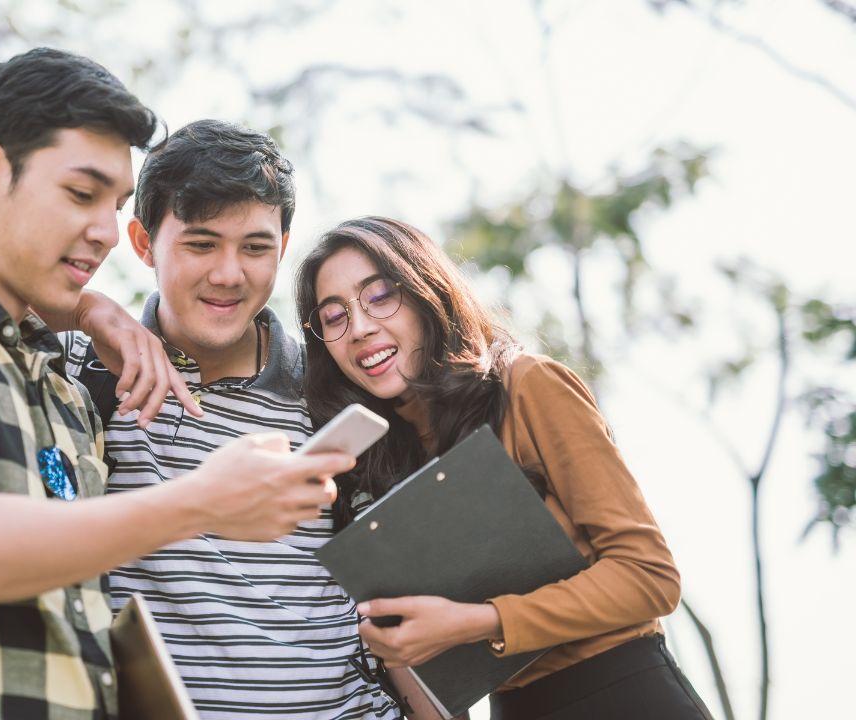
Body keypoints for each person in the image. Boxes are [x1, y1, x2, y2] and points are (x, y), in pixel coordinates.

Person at [0, 49, 350, 720]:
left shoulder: (61, 383)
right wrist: (201, 502)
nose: (105, 232)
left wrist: (91, 311)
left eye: (114, 204)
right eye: (81, 194)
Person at [294, 216, 714, 720]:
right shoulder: (377, 465)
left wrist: (480, 621)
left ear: (427, 292)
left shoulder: (526, 386)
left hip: (622, 691)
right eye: (334, 317)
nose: (359, 327)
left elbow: (650, 577)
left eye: (381, 295)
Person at [62, 120, 400, 718]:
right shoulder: (83, 371)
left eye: (254, 247)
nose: (228, 274)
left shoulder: (334, 389)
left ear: (284, 245)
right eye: (200, 244)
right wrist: (91, 311)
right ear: (143, 243)